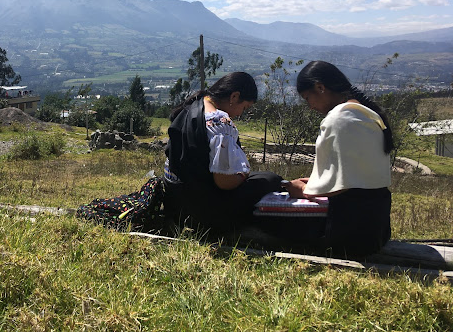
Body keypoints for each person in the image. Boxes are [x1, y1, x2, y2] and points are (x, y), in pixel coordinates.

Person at [282, 60, 393, 256]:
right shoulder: (366, 114)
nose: (310, 106)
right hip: (377, 226)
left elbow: (342, 186)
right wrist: (318, 183)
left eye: (308, 98)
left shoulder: (338, 119)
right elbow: (355, 175)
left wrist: (303, 190)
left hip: (349, 231)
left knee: (272, 224)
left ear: (320, 87)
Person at [163, 72, 283, 233]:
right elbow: (224, 182)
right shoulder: (219, 122)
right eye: (244, 107)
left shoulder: (194, 105)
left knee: (260, 178)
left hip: (176, 198)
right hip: (200, 209)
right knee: (270, 179)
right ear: (234, 96)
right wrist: (243, 175)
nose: (240, 113)